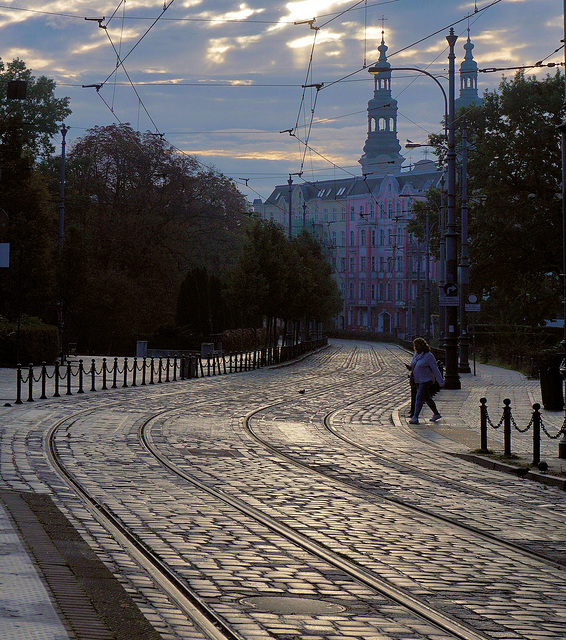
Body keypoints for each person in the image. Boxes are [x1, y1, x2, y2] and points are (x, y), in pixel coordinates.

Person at [408, 337, 444, 424]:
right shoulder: (416, 355)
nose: (416, 348)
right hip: (417, 380)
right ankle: (436, 413)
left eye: (417, 346)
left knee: (419, 397)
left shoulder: (429, 356)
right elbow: (413, 364)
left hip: (426, 380)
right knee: (427, 398)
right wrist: (410, 368)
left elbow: (435, 369)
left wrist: (441, 382)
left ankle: (415, 417)